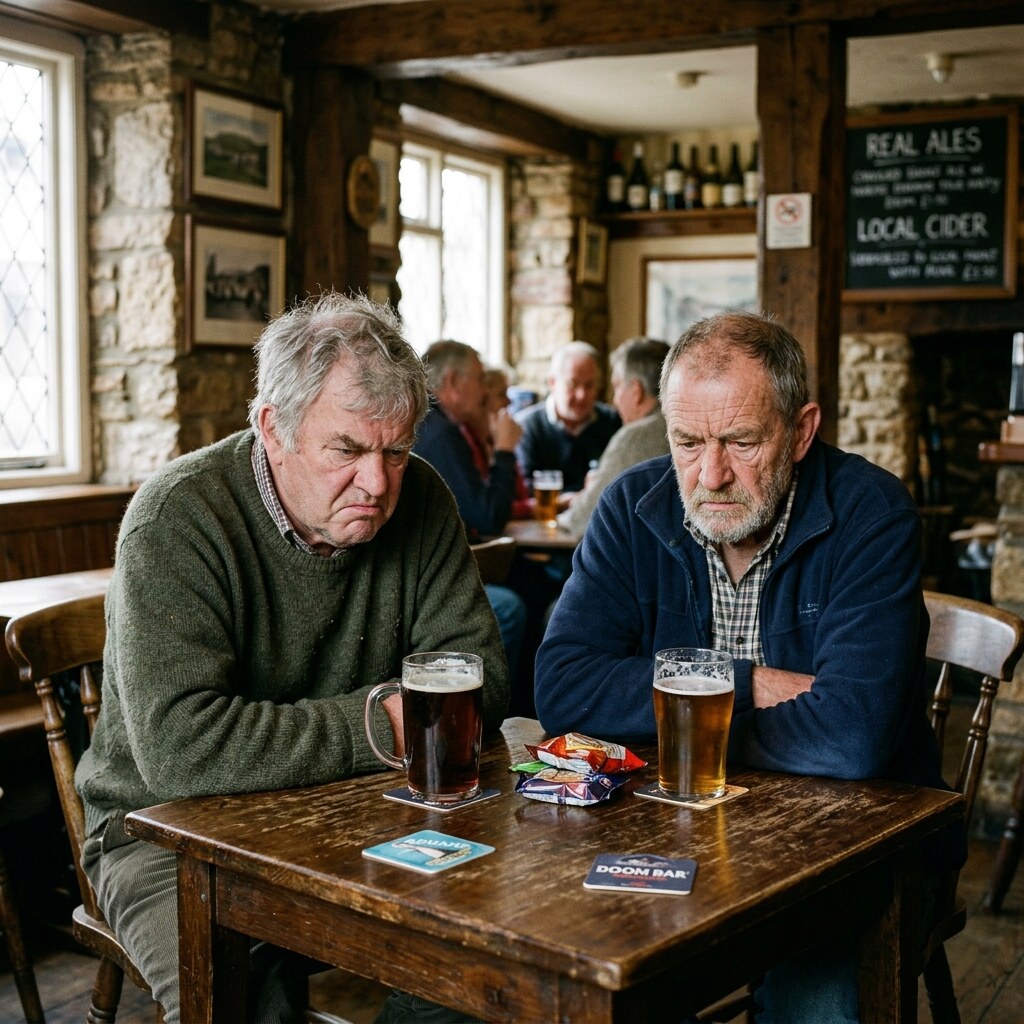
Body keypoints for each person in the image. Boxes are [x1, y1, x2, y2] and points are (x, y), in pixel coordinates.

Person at [76, 293, 509, 1024]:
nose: (377, 484)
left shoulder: (422, 499)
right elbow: (183, 752)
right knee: (249, 1008)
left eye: (396, 451)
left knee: (485, 973)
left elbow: (481, 680)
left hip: (358, 811)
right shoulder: (177, 518)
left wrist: (406, 726)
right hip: (165, 834)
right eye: (347, 450)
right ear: (273, 430)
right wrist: (384, 723)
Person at [535, 310, 964, 1024]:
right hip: (669, 834)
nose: (711, 474)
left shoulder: (872, 513)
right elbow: (563, 689)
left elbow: (851, 740)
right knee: (585, 972)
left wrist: (679, 717)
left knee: (819, 1007)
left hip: (856, 854)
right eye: (687, 441)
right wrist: (748, 683)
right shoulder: (630, 507)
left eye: (741, 441)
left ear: (800, 431)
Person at [415, 340, 527, 682]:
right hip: (427, 575)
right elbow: (488, 516)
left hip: (430, 564)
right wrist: (506, 450)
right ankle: (493, 707)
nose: (483, 391)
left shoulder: (434, 425)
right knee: (512, 606)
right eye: (479, 379)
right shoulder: (441, 433)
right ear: (450, 383)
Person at [557, 337, 670, 536]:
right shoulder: (688, 425)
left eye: (617, 387)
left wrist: (585, 497)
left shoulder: (635, 437)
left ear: (636, 391)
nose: (615, 401)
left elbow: (581, 521)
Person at [514, 340, 620, 494]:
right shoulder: (526, 427)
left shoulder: (613, 421)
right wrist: (575, 499)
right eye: (573, 384)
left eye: (589, 385)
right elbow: (525, 491)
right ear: (552, 383)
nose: (581, 395)